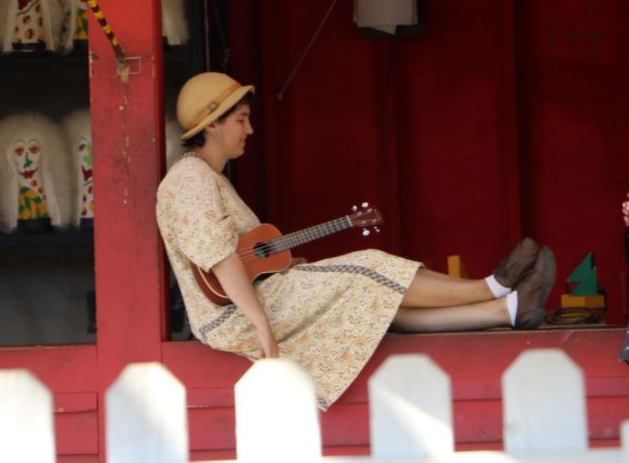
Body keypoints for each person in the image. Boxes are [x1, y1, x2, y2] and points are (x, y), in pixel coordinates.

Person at [156, 72, 556, 411]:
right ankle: (492, 286)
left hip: (249, 304)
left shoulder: (206, 178)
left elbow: (237, 257)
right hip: (236, 318)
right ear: (212, 124)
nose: (250, 129)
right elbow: (221, 259)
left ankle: (507, 310)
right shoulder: (190, 180)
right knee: (367, 267)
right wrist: (261, 325)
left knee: (374, 301)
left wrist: (283, 266)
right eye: (241, 119)